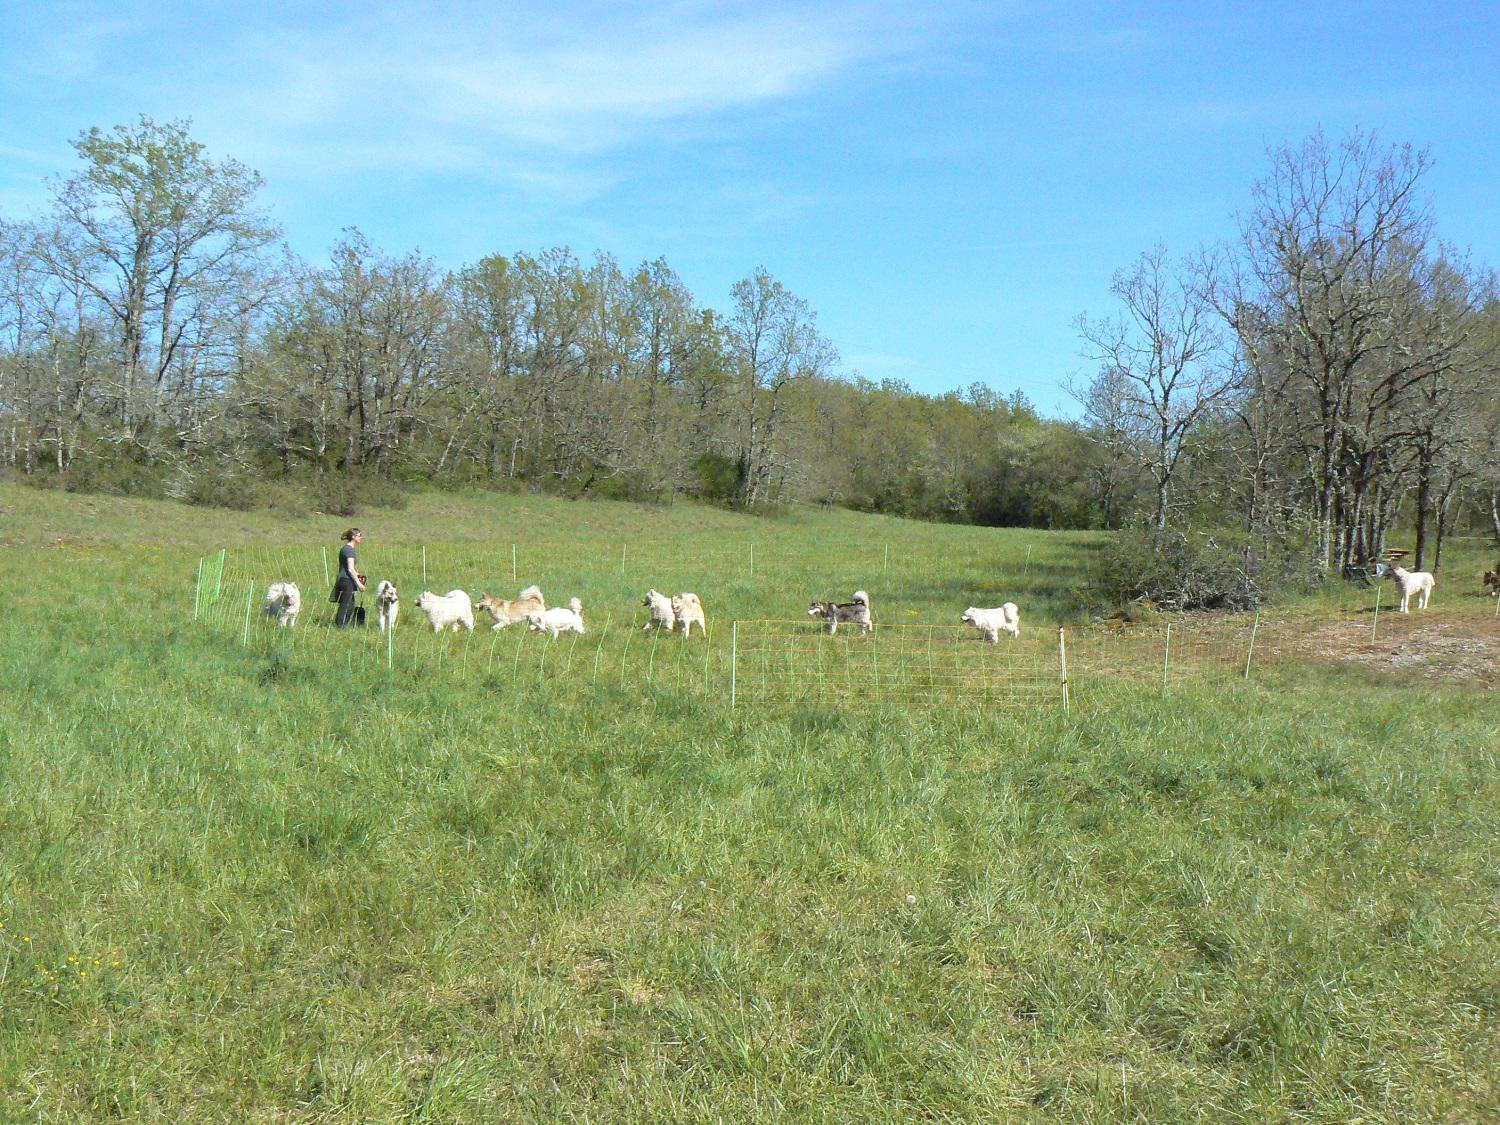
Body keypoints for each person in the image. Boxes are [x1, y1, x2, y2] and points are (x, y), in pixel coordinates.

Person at [332, 527, 366, 626]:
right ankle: (339, 626)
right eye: (360, 535)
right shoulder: (348, 550)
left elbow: (349, 568)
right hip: (346, 580)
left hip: (346, 579)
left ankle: (344, 625)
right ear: (354, 537)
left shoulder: (349, 549)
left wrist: (358, 574)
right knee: (345, 605)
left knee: (350, 605)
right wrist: (359, 584)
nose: (361, 538)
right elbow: (350, 569)